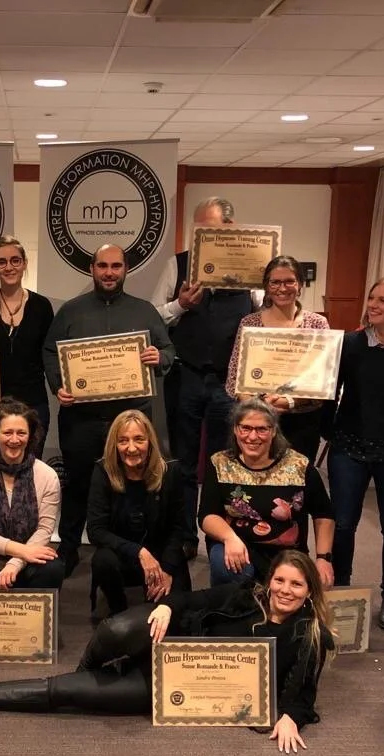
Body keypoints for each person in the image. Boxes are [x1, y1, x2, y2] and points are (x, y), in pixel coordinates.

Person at [0, 550, 334, 753]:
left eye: (296, 585)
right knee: (119, 626)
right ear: (270, 579)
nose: (285, 590)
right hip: (171, 646)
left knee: (70, 693)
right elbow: (195, 600)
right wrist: (166, 605)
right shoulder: (246, 595)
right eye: (280, 580)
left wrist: (288, 717)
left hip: (173, 691)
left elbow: (304, 693)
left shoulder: (311, 634)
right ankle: (98, 660)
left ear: (309, 591)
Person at [42, 244, 175, 576]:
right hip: (81, 420)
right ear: (92, 269)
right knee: (77, 484)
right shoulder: (71, 311)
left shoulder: (144, 311)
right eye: (103, 265)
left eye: (116, 265)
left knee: (133, 485)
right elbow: (49, 351)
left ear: (126, 269)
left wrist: (160, 358)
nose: (109, 272)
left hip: (129, 420)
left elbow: (169, 349)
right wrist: (59, 384)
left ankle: (134, 548)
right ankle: (69, 547)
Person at [151, 197, 253, 555]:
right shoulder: (177, 264)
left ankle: (217, 533)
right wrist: (181, 305)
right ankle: (184, 535)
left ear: (229, 227)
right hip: (187, 375)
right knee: (183, 458)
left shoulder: (251, 267)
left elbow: (263, 315)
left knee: (224, 459)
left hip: (231, 381)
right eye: (198, 228)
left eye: (209, 227)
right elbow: (154, 317)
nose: (201, 234)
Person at [320, 277, 384, 631]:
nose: (373, 305)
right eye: (372, 298)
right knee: (343, 524)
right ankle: (343, 588)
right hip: (349, 446)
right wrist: (327, 430)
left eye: (383, 300)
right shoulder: (349, 343)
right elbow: (328, 391)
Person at [200, 399, 335, 589]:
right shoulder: (220, 463)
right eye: (245, 428)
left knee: (289, 594)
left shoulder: (298, 465)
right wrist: (229, 538)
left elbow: (323, 514)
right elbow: (207, 515)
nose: (252, 436)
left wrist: (323, 558)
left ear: (273, 431)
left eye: (261, 429)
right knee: (228, 568)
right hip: (238, 545)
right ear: (235, 430)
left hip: (287, 550)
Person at [226, 256, 330, 463]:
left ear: (300, 284)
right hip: (256, 423)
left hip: (302, 422)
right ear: (266, 286)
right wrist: (259, 407)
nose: (282, 288)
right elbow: (234, 378)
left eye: (289, 281)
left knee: (297, 485)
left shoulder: (317, 324)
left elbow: (323, 379)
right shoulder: (250, 323)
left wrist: (289, 401)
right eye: (275, 282)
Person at [87, 410, 190, 616]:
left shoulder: (170, 471)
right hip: (123, 555)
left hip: (161, 554)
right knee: (103, 560)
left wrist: (168, 569)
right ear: (114, 444)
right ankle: (118, 609)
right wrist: (139, 552)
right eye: (123, 440)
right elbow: (96, 531)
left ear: (150, 441)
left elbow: (179, 528)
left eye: (139, 439)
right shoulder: (103, 471)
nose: (131, 448)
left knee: (176, 614)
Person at [0, 399, 65, 590]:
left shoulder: (47, 475)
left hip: (27, 563)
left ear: (30, 435)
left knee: (53, 569)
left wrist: (15, 562)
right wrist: (22, 550)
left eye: (21, 433)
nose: (14, 440)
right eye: (7, 432)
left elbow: (44, 529)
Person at [0, 237, 55, 457]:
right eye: (2, 262)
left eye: (15, 260)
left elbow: (50, 355)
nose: (9, 267)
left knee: (29, 472)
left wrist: (61, 386)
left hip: (34, 405)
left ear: (24, 263)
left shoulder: (42, 306)